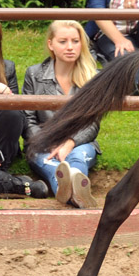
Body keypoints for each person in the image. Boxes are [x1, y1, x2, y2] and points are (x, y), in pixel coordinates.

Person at [23, 21, 100, 208]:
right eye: (63, 41)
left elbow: (93, 124)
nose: (70, 47)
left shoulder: (93, 76)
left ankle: (68, 192)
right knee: (53, 166)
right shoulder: (34, 74)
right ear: (51, 44)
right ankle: (77, 194)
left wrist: (70, 143)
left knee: (78, 158)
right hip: (42, 144)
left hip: (81, 143)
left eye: (75, 41)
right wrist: (49, 142)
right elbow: (28, 119)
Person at [0, 21, 48, 198]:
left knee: (12, 113)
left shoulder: (7, 68)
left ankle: (0, 171)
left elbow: (16, 113)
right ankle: (20, 185)